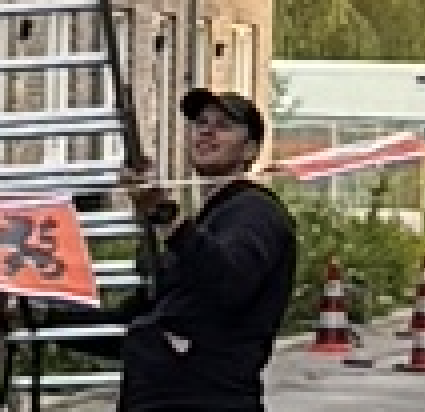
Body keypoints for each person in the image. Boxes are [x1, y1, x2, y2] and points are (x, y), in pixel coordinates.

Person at [96, 87, 301, 410]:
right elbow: (139, 322)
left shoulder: (255, 212)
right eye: (200, 122)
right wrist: (31, 320)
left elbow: (229, 279)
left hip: (210, 400)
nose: (206, 131)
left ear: (249, 150)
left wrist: (165, 213)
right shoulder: (208, 221)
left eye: (223, 125)